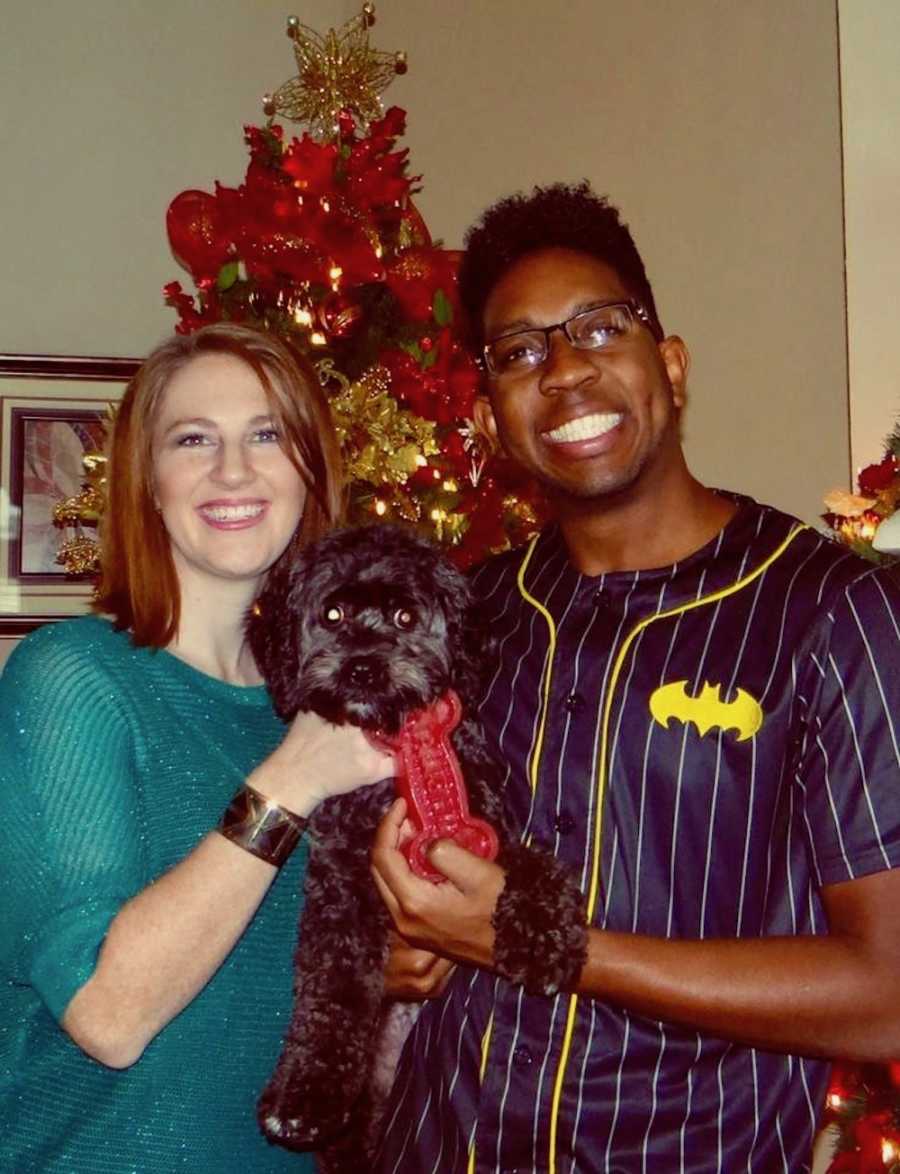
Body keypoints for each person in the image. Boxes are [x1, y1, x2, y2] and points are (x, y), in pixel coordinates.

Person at [371, 183, 900, 1173]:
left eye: (598, 328)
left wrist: (550, 944)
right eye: (519, 352)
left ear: (671, 363)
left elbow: (888, 990)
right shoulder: (465, 615)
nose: (563, 370)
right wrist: (406, 946)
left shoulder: (828, 611)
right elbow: (415, 875)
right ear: (489, 418)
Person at [0, 323, 396, 1173]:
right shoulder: (72, 678)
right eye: (193, 440)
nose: (232, 471)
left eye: (265, 434)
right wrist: (292, 777)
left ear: (308, 470)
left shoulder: (311, 709)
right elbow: (108, 1015)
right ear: (147, 481)